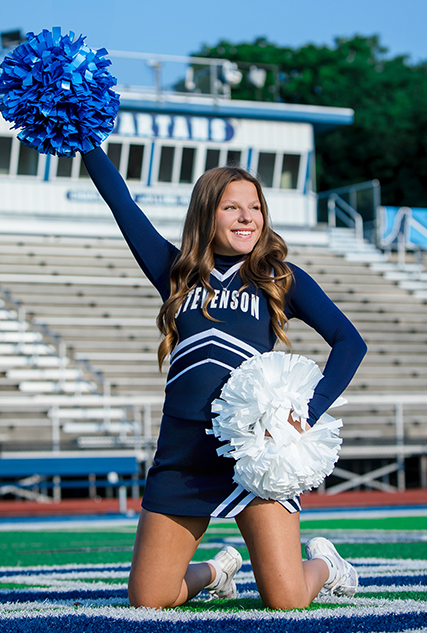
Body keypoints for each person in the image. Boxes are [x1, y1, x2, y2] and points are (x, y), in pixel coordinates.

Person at [81, 146, 368, 609]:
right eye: (231, 207)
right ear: (206, 215)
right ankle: (217, 571)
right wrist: (85, 139)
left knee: (287, 600)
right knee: (149, 599)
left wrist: (306, 412)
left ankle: (328, 567)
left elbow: (350, 342)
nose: (247, 217)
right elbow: (123, 205)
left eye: (255, 208)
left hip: (252, 457)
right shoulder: (175, 273)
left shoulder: (279, 278)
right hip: (182, 457)